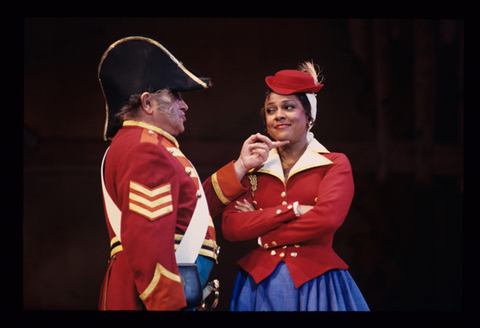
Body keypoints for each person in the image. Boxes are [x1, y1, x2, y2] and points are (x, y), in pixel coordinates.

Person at [97, 36, 285, 311]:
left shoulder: (142, 145)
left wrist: (241, 166)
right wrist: (168, 305)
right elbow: (147, 241)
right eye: (175, 96)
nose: (185, 106)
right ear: (147, 103)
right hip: (149, 298)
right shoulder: (144, 151)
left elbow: (190, 213)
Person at [222, 61, 370, 311]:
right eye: (271, 110)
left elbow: (326, 220)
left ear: (309, 117)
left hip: (316, 282)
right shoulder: (254, 168)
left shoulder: (333, 163)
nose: (278, 114)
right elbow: (231, 227)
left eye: (288, 107)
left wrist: (262, 233)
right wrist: (294, 210)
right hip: (260, 283)